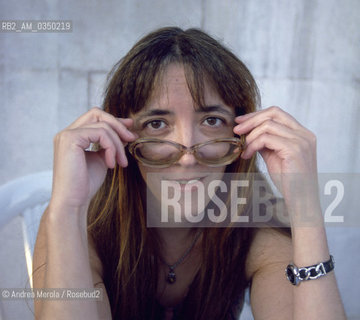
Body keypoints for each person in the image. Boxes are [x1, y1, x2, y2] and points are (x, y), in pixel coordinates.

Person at [33, 27, 346, 319]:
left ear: (241, 134)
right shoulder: (79, 221)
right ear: (121, 137)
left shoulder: (255, 223)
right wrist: (67, 209)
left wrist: (306, 205)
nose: (187, 156)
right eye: (157, 123)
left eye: (211, 121)